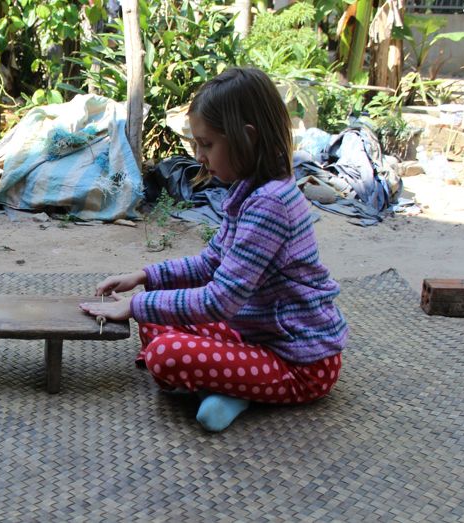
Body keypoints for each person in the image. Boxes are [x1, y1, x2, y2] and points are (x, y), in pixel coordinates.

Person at [80, 68, 348, 432]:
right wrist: (145, 277)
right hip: (254, 332)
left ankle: (240, 387)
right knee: (156, 309)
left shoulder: (270, 205)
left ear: (246, 139)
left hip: (298, 361)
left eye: (207, 145)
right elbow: (211, 262)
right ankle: (231, 387)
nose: (200, 156)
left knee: (164, 353)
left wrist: (134, 306)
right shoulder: (250, 191)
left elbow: (218, 301)